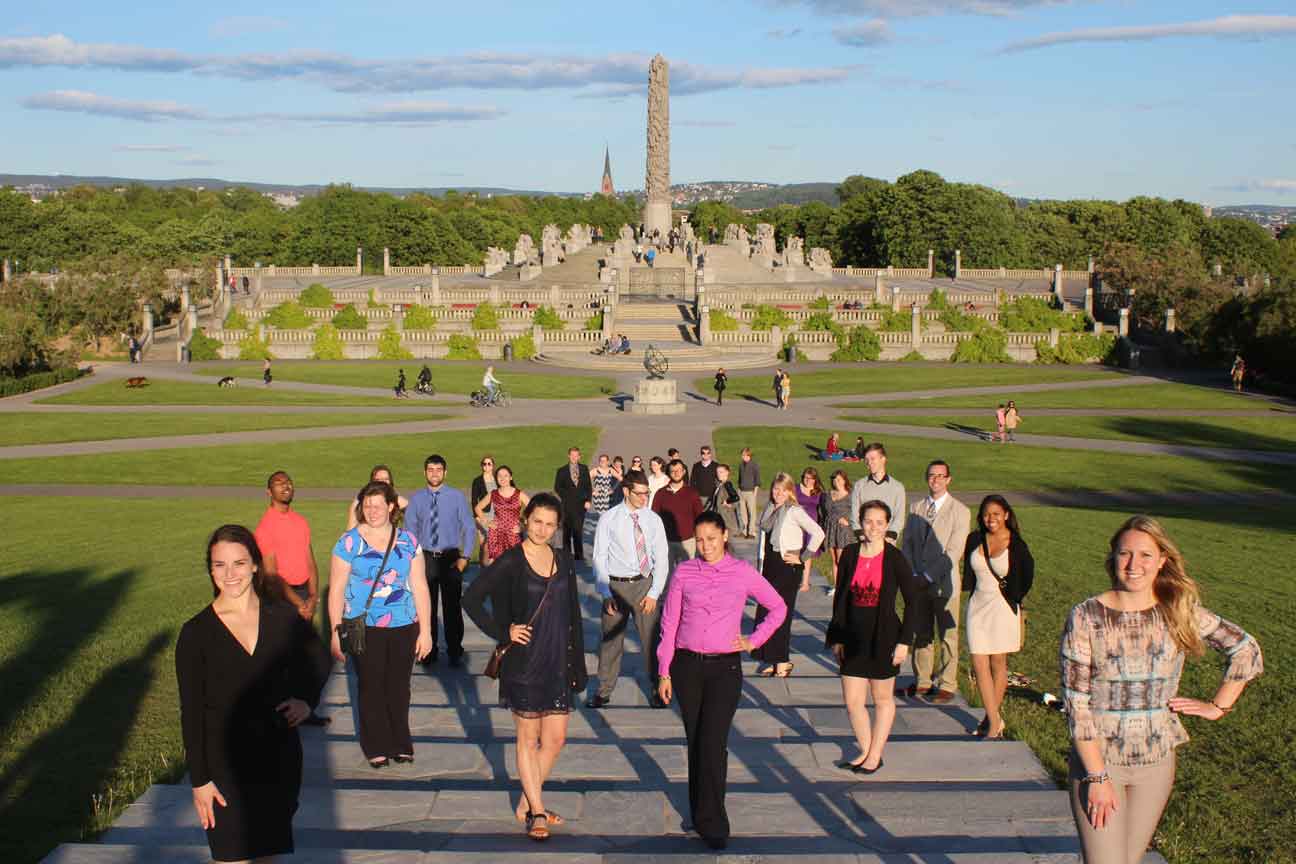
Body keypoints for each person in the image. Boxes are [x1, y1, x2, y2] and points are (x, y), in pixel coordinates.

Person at [1060, 515, 1262, 864]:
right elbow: (1076, 704)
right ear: (1113, 558)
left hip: (1157, 763)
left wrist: (1218, 706)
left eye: (1145, 555)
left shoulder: (1177, 612)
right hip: (1099, 763)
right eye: (1125, 554)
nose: (1134, 565)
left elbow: (1245, 648)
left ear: (1162, 560)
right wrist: (1097, 776)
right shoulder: (1086, 616)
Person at [176, 525, 329, 863]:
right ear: (210, 569)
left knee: (266, 857)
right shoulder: (196, 633)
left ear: (256, 565)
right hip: (224, 767)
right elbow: (191, 712)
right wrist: (199, 781)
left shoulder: (282, 618)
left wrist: (306, 700)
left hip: (278, 762)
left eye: (239, 563)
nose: (230, 574)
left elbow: (318, 659)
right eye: (219, 565)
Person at [656, 511, 787, 850]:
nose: (705, 546)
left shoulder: (742, 572)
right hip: (686, 668)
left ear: (725, 536)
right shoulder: (684, 571)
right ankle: (700, 813)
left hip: (724, 670)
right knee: (697, 740)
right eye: (699, 540)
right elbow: (669, 623)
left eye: (711, 539)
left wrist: (754, 640)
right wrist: (664, 670)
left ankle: (714, 821)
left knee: (713, 741)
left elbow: (778, 607)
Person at [462, 494, 587, 842]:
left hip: (557, 660)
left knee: (556, 738)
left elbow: (573, 613)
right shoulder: (511, 560)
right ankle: (536, 810)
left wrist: (577, 661)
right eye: (537, 522)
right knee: (528, 739)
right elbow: (470, 598)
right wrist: (504, 632)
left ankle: (525, 802)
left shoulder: (563, 559)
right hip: (525, 662)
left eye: (550, 524)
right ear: (524, 521)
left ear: (557, 526)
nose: (543, 529)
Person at [328, 482, 432, 767]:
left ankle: (400, 741)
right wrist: (335, 630)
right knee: (371, 686)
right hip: (365, 626)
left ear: (391, 507)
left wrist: (426, 631)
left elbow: (420, 586)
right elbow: (336, 588)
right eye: (367, 505)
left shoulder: (408, 541)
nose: (372, 511)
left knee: (399, 686)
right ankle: (375, 744)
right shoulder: (349, 542)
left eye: (378, 505)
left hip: (403, 625)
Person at [826, 499, 919, 774]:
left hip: (884, 637)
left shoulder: (894, 557)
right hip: (852, 636)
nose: (873, 527)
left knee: (882, 699)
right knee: (853, 702)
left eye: (880, 522)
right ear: (860, 522)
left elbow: (913, 601)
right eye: (868, 521)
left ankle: (875, 754)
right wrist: (837, 636)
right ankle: (866, 750)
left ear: (887, 525)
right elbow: (841, 598)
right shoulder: (851, 554)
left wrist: (904, 642)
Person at [588, 470, 670, 709]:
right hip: (616, 586)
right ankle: (603, 691)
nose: (645, 498)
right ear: (626, 491)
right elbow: (599, 557)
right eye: (640, 493)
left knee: (651, 641)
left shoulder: (653, 520)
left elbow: (662, 559)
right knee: (610, 642)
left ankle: (657, 688)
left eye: (647, 493)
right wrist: (605, 593)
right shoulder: (609, 519)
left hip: (644, 585)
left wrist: (654, 593)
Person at [963, 494, 1034, 737]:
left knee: (998, 663)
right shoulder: (975, 539)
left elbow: (1027, 574)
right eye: (986, 514)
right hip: (977, 606)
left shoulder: (1016, 544)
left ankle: (990, 719)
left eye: (996, 513)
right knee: (978, 662)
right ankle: (995, 721)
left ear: (1006, 515)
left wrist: (1014, 595)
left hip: (1002, 607)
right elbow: (969, 571)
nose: (990, 518)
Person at [901, 459, 971, 703]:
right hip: (917, 580)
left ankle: (947, 683)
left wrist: (928, 576)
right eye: (932, 475)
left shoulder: (960, 511)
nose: (936, 480)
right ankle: (922, 680)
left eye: (941, 476)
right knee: (921, 633)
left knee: (947, 635)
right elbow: (907, 544)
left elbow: (953, 551)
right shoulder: (916, 507)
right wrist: (912, 574)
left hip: (943, 583)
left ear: (949, 479)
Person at [404, 455, 475, 667]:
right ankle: (429, 650)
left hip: (450, 557)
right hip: (425, 557)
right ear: (424, 472)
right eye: (430, 469)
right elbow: (410, 531)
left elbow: (469, 527)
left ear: (445, 472)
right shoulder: (417, 499)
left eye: (438, 469)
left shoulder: (456, 497)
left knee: (452, 607)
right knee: (427, 607)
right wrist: (412, 560)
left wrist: (465, 557)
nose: (434, 473)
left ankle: (455, 650)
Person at [753, 472, 825, 677]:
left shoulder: (794, 511)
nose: (778, 493)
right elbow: (764, 541)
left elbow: (818, 532)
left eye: (782, 490)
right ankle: (769, 658)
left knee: (780, 615)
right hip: (769, 566)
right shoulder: (769, 509)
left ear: (789, 492)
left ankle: (782, 660)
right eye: (775, 489)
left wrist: (803, 557)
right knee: (765, 614)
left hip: (787, 567)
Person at [255, 471, 320, 623]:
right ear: (269, 492)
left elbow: (310, 562)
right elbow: (271, 574)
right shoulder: (265, 528)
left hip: (305, 594)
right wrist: (300, 604)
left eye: (288, 481)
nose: (286, 485)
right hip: (281, 596)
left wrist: (312, 596)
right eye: (279, 482)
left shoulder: (301, 521)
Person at [652, 458, 705, 572]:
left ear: (684, 471)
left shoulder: (692, 493)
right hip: (666, 541)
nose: (676, 473)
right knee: (666, 574)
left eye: (679, 470)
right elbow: (654, 518)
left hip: (687, 541)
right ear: (669, 473)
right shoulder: (661, 493)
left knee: (688, 574)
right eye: (673, 471)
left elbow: (700, 517)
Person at [849, 443, 906, 544]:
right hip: (864, 545)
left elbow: (899, 519)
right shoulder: (859, 485)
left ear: (883, 459)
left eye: (872, 458)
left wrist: (885, 541)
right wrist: (864, 539)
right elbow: (854, 516)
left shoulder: (898, 487)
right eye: (866, 460)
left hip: (887, 546)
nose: (869, 463)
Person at [476, 464, 529, 568]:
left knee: (514, 565)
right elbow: (478, 508)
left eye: (505, 475)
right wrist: (487, 522)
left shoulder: (519, 494)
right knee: (495, 566)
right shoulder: (493, 494)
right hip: (496, 533)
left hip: (513, 534)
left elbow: (533, 508)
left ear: (511, 477)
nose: (502, 478)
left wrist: (523, 525)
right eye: (499, 476)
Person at [554, 447, 593, 560]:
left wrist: (588, 500)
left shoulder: (584, 469)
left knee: (578, 530)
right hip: (567, 505)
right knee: (567, 531)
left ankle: (579, 555)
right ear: (568, 456)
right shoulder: (562, 470)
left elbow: (588, 487)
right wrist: (567, 496)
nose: (574, 457)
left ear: (579, 456)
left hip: (581, 505)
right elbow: (557, 487)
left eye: (576, 455)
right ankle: (566, 554)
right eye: (572, 455)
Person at [795, 467, 828, 593]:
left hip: (811, 527)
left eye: (810, 478)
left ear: (815, 479)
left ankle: (805, 582)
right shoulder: (796, 488)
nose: (807, 480)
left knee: (807, 554)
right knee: (795, 551)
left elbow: (825, 509)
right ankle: (795, 578)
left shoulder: (819, 492)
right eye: (805, 477)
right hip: (797, 525)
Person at [346, 465, 409, 531]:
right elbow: (350, 530)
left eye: (386, 479)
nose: (382, 482)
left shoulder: (397, 500)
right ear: (372, 482)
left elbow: (415, 517)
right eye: (378, 479)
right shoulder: (359, 501)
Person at [823, 470, 855, 598]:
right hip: (831, 528)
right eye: (835, 480)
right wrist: (835, 518)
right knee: (834, 560)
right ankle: (836, 586)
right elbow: (827, 510)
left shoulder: (851, 494)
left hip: (843, 531)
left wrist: (848, 520)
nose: (837, 482)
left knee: (842, 560)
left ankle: (845, 586)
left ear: (845, 480)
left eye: (840, 479)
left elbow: (856, 511)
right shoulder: (828, 494)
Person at [469, 456, 497, 563]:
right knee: (483, 543)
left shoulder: (498, 479)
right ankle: (482, 566)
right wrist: (477, 517)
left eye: (489, 464)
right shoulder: (477, 481)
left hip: (496, 514)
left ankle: (492, 566)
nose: (486, 466)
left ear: (493, 466)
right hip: (483, 514)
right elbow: (474, 500)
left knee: (493, 541)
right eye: (484, 464)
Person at [704, 463, 741, 535]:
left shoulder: (727, 484)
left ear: (727, 472)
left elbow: (735, 497)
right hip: (716, 517)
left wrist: (727, 502)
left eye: (721, 472)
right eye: (717, 472)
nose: (719, 474)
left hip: (724, 518)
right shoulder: (719, 485)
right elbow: (712, 501)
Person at [736, 448, 761, 539]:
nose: (742, 456)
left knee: (752, 513)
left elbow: (757, 480)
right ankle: (744, 531)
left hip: (751, 492)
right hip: (741, 492)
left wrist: (755, 493)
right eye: (742, 455)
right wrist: (738, 489)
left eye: (744, 455)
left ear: (748, 455)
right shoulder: (741, 465)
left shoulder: (754, 465)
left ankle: (751, 532)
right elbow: (739, 478)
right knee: (743, 513)